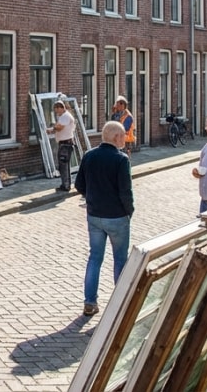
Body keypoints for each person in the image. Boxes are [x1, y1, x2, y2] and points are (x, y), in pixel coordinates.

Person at [75, 121, 134, 317]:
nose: (125, 138)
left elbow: (79, 184)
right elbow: (126, 191)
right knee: (120, 259)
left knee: (95, 258)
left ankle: (89, 302)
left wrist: (92, 200)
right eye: (123, 135)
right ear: (116, 137)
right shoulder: (121, 159)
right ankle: (120, 303)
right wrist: (129, 211)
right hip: (116, 216)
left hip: (94, 216)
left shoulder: (89, 155)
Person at [46, 100, 77, 192]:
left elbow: (60, 127)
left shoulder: (65, 116)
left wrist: (52, 129)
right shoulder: (64, 116)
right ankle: (66, 184)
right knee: (64, 165)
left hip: (65, 144)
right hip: (65, 144)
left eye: (56, 110)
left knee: (63, 165)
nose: (56, 112)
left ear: (60, 108)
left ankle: (66, 185)